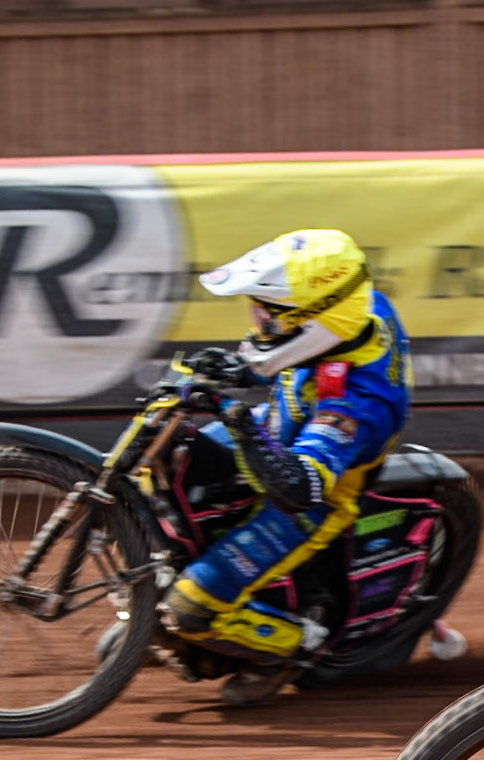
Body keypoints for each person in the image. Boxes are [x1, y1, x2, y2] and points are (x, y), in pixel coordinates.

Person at [162, 228, 413, 706]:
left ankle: (292, 647)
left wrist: (239, 423)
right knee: (171, 458)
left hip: (311, 498)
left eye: (267, 312)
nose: (258, 320)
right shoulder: (357, 307)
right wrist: (242, 370)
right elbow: (281, 348)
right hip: (277, 428)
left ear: (316, 322)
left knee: (190, 609)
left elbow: (298, 489)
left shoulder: (355, 405)